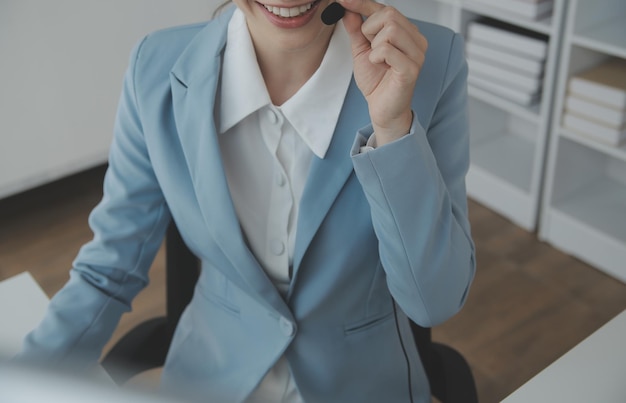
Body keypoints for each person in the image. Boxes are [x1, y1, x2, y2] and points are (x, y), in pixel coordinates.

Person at [17, 0, 476, 401]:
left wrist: (394, 128)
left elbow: (433, 302)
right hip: (208, 380)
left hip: (363, 384)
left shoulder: (433, 64)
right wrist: (24, 383)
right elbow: (106, 272)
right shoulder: (153, 69)